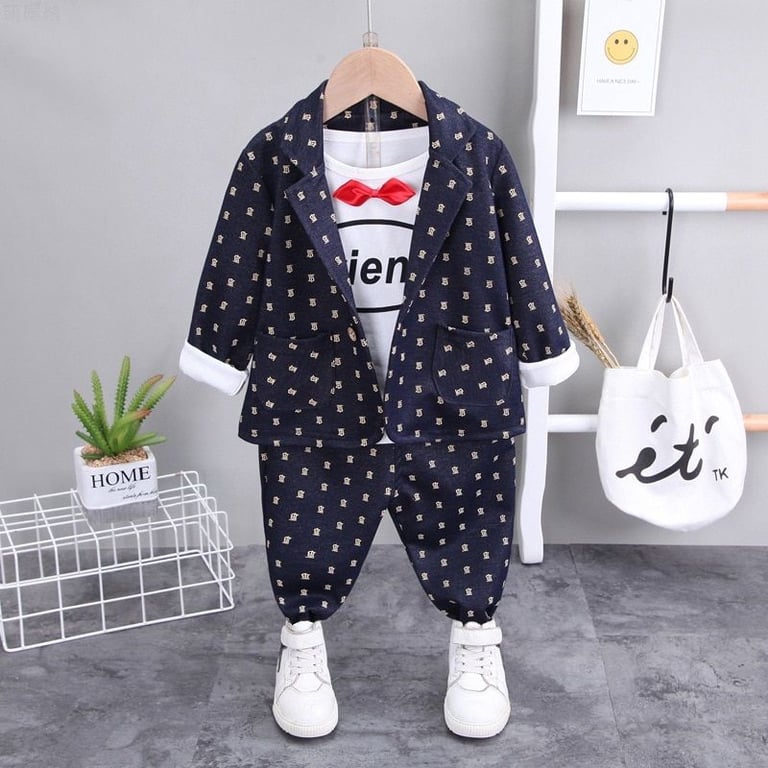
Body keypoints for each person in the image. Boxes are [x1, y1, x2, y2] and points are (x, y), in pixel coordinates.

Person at [180, 82, 578, 739]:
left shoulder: (477, 154)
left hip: (452, 389)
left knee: (469, 520)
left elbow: (519, 254)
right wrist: (220, 350)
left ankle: (475, 637)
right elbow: (237, 257)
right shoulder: (274, 157)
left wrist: (541, 347)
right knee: (307, 526)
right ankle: (301, 639)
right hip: (318, 392)